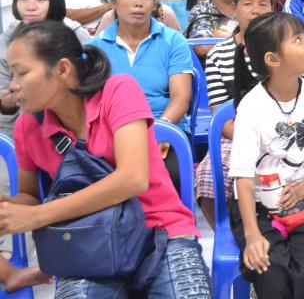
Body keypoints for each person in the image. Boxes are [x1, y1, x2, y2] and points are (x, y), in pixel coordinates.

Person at [4, 20, 211, 296]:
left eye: (21, 73)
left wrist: (37, 215)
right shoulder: (27, 126)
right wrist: (9, 208)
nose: (13, 86)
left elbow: (132, 179)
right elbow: (29, 195)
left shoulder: (117, 91)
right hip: (89, 238)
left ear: (63, 69)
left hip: (161, 231)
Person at [230, 13, 304, 298]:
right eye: (298, 40)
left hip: (303, 199)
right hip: (257, 207)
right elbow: (243, 178)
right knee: (271, 265)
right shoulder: (251, 107)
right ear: (273, 59)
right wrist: (252, 235)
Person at [89, 0, 193, 188]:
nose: (138, 3)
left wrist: (160, 131)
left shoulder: (173, 41)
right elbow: (91, 104)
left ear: (155, 3)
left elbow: (181, 99)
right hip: (113, 132)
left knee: (169, 175)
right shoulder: (95, 48)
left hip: (164, 127)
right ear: (113, 1)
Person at [194, 0, 275, 227]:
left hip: (283, 133)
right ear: (235, 9)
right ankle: (228, 232)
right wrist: (249, 141)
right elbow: (219, 111)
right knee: (207, 177)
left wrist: (271, 140)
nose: (255, 10)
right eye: (248, 4)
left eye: (263, 4)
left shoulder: (285, 49)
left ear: (273, 10)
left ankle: (275, 229)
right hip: (236, 135)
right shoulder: (218, 54)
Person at [1, 0, 91, 139]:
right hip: (22, 128)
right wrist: (9, 102)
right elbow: (3, 88)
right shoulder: (11, 35)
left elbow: (90, 84)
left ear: (54, 1)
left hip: (71, 127)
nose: (30, 6)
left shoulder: (75, 34)